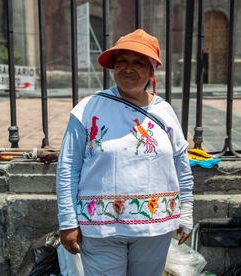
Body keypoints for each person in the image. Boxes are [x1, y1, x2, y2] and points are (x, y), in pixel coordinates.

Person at [56, 29, 194, 276]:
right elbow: (68, 167)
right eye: (122, 62)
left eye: (138, 63)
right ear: (113, 68)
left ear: (151, 71)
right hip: (101, 229)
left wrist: (186, 213)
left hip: (155, 228)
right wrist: (68, 222)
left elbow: (181, 165)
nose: (129, 69)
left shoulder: (165, 111)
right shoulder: (88, 109)